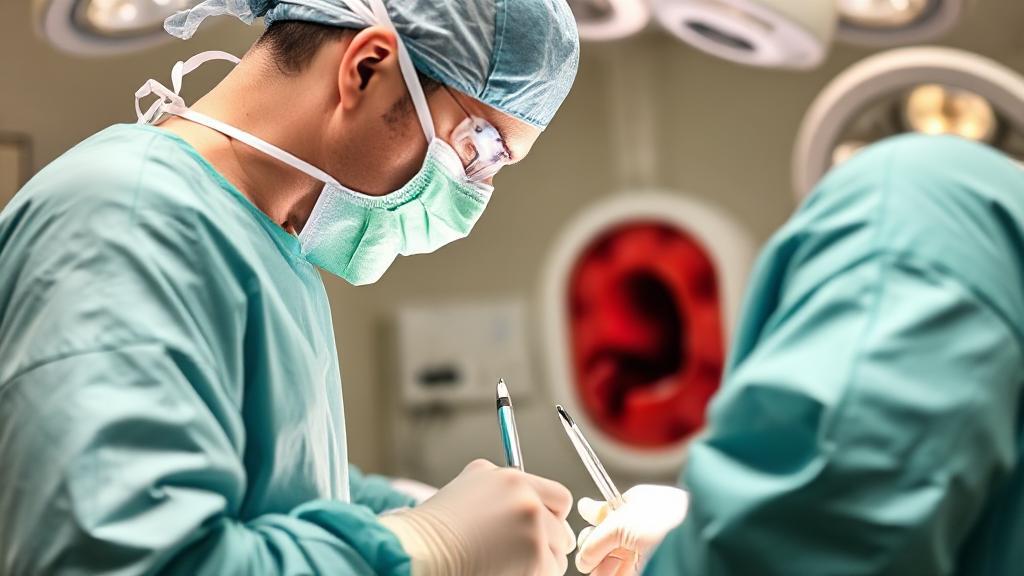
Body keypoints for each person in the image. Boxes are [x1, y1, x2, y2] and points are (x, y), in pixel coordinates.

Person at [0, 0, 580, 574]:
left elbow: (271, 484)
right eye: (478, 148)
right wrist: (426, 545)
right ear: (367, 69)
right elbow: (121, 561)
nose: (472, 197)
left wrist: (414, 507)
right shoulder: (124, 222)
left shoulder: (274, 251)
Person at [575, 134, 1024, 575]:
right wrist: (699, 529)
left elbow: (823, 529)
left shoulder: (911, 209)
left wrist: (717, 547)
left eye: (501, 150)